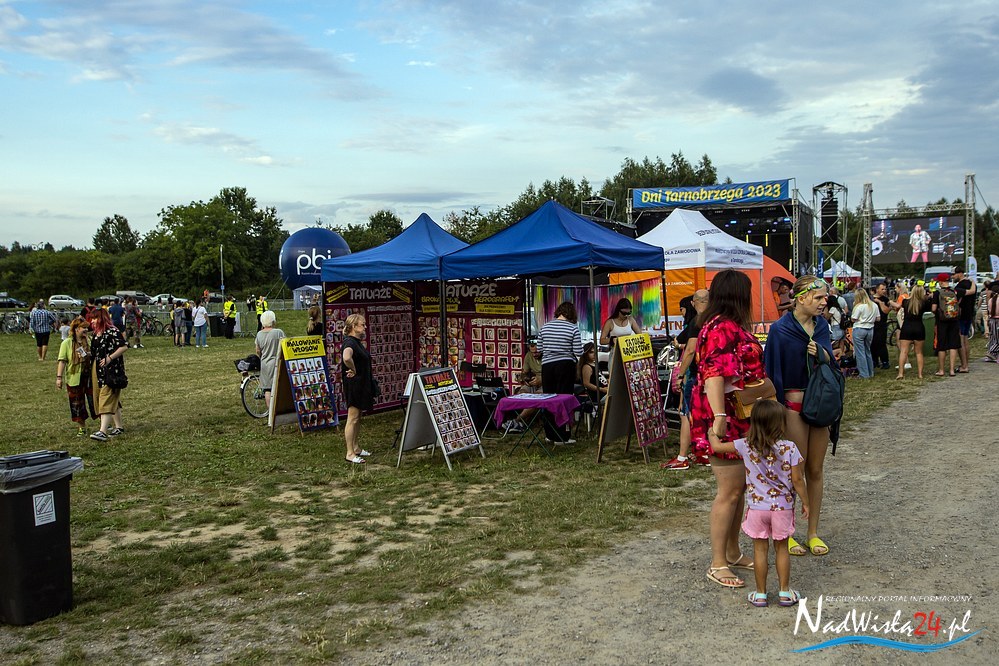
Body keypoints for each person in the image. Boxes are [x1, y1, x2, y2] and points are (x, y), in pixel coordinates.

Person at [691, 270, 763, 588]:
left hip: (738, 415)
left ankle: (732, 552)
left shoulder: (727, 324)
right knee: (729, 491)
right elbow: (714, 375)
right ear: (738, 295)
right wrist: (719, 416)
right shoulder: (721, 326)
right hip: (726, 416)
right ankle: (718, 562)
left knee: (739, 488)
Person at [763, 275, 837, 558]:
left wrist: (822, 353)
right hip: (792, 408)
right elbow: (772, 372)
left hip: (820, 406)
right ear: (801, 298)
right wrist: (776, 412)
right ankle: (787, 532)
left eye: (824, 297)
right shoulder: (780, 330)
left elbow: (832, 361)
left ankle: (813, 532)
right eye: (818, 297)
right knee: (793, 471)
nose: (823, 302)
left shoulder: (821, 327)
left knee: (815, 470)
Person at [710, 400, 808, 607]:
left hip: (757, 508)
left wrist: (712, 431)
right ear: (781, 424)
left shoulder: (745, 445)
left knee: (760, 550)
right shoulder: (789, 448)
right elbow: (798, 479)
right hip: (782, 508)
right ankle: (784, 592)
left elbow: (717, 447)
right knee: (782, 549)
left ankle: (761, 594)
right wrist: (806, 502)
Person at [663, 289, 710, 471]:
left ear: (693, 302)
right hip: (713, 374)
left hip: (696, 374)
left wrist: (680, 375)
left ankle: (682, 457)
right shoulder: (716, 319)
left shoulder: (697, 321)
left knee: (685, 414)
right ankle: (704, 452)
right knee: (707, 415)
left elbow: (690, 350)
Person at [537, 301, 583, 445]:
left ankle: (549, 434)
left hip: (547, 366)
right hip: (565, 366)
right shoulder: (573, 328)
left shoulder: (544, 327)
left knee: (549, 399)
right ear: (572, 314)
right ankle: (562, 435)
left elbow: (539, 349)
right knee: (563, 399)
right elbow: (578, 351)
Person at [89, 308, 127, 442]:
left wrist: (110, 358)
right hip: (97, 370)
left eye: (95, 318)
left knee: (106, 397)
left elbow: (123, 346)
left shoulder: (112, 331)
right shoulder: (96, 334)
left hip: (111, 370)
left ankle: (103, 431)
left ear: (101, 318)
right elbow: (95, 351)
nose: (92, 321)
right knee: (109, 398)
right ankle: (119, 427)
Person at [340, 314, 374, 464]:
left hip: (361, 383)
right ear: (354, 326)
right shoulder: (350, 342)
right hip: (354, 383)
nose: (365, 327)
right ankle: (350, 453)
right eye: (362, 324)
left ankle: (356, 447)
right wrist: (353, 369)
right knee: (352, 417)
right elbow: (346, 357)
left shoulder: (357, 342)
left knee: (358, 416)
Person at [55, 317, 97, 437]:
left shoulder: (88, 340)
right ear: (76, 329)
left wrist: (88, 354)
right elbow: (62, 361)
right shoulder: (66, 343)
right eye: (84, 328)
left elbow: (95, 354)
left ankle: (104, 424)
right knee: (77, 403)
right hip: (74, 378)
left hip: (89, 376)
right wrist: (59, 377)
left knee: (94, 401)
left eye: (87, 327)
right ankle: (81, 427)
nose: (86, 330)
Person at [896, 283, 931, 379]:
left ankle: (900, 373)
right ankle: (920, 374)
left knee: (903, 351)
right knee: (919, 352)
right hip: (919, 327)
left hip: (907, 327)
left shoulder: (905, 302)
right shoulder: (924, 303)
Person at [255, 310, 286, 412]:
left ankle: (271, 411)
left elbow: (258, 350)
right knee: (277, 387)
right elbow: (285, 345)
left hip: (264, 363)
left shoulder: (259, 334)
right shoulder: (278, 332)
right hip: (276, 363)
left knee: (267, 389)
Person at [931, 275, 961, 377]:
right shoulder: (954, 292)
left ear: (941, 282)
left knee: (942, 346)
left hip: (942, 321)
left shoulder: (937, 293)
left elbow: (934, 308)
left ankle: (941, 370)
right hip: (954, 320)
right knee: (953, 345)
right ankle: (952, 370)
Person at [953, 267, 977, 372]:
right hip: (969, 314)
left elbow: (957, 302)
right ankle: (966, 363)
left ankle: (964, 365)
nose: (953, 277)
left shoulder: (959, 287)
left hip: (961, 316)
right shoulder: (971, 284)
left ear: (959, 274)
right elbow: (973, 291)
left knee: (961, 340)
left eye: (954, 274)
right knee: (966, 339)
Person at [850, 288, 877, 379]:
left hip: (859, 328)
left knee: (860, 352)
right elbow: (878, 318)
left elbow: (853, 318)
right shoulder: (874, 305)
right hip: (870, 329)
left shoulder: (859, 306)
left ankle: (863, 374)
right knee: (867, 351)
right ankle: (870, 372)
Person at [870, 283, 893, 369]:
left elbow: (886, 311)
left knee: (881, 343)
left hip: (882, 324)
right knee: (872, 343)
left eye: (885, 289)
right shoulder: (870, 299)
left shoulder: (885, 299)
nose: (884, 291)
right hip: (872, 324)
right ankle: (874, 361)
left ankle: (885, 361)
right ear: (877, 289)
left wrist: (880, 303)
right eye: (882, 289)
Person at [985, 282, 999, 362]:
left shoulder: (991, 300)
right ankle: (991, 352)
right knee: (997, 340)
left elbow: (989, 311)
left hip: (992, 320)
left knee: (993, 338)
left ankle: (992, 354)